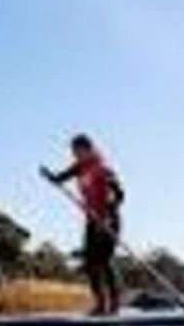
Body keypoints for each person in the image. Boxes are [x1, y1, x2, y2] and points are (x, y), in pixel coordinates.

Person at [42, 134, 124, 315]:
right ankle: (101, 304)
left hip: (109, 219)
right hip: (92, 221)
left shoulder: (102, 168)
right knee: (90, 262)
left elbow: (119, 194)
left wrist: (107, 214)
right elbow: (61, 178)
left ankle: (115, 305)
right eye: (73, 151)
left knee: (104, 260)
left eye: (77, 150)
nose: (74, 154)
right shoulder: (79, 168)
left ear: (88, 149)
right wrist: (51, 177)